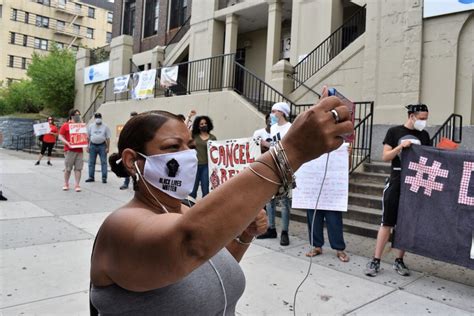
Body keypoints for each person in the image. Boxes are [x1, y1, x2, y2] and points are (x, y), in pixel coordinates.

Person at [89, 88, 353, 314]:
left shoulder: (185, 209)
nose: (187, 156)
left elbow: (206, 268)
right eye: (172, 147)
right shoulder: (120, 227)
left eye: (190, 147)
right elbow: (189, 245)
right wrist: (290, 152)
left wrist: (243, 236)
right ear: (132, 160)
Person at [365, 103, 431, 277]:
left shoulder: (425, 135)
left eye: (426, 118)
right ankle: (376, 260)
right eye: (422, 118)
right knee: (387, 222)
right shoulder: (394, 132)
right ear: (412, 116)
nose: (424, 122)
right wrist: (401, 147)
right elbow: (385, 156)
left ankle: (399, 261)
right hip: (396, 180)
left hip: (414, 183)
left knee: (405, 224)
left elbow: (429, 159)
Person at [257, 102, 293, 246]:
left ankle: (285, 231)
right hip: (273, 166)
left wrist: (268, 145)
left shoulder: (290, 128)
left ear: (282, 113)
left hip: (285, 167)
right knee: (269, 199)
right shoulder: (272, 128)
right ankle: (271, 228)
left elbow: (287, 146)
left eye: (274, 111)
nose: (271, 114)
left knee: (285, 202)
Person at [189, 115, 216, 199]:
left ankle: (205, 209)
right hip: (194, 166)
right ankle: (190, 209)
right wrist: (189, 116)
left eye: (205, 123)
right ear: (198, 126)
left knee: (206, 190)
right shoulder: (194, 136)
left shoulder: (213, 138)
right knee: (192, 190)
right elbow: (185, 132)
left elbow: (216, 152)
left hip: (206, 166)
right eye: (201, 124)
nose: (204, 125)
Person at [58, 109, 84, 192]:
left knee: (78, 168)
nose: (78, 116)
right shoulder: (66, 125)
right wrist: (67, 142)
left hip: (79, 150)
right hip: (69, 150)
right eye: (76, 114)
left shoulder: (80, 125)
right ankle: (66, 183)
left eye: (79, 114)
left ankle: (77, 185)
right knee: (68, 168)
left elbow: (85, 136)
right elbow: (60, 136)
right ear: (72, 115)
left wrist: (81, 123)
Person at [86, 113, 111, 184]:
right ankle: (91, 177)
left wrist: (107, 147)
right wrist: (87, 146)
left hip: (102, 146)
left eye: (99, 117)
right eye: (97, 117)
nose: (98, 118)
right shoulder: (91, 126)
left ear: (101, 118)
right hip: (93, 145)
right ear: (94, 118)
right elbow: (88, 137)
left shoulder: (105, 126)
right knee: (91, 162)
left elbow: (108, 138)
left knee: (104, 162)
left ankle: (104, 177)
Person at [120, 112, 138, 190]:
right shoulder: (127, 128)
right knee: (127, 166)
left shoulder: (141, 128)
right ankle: (126, 183)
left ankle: (136, 183)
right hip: (129, 150)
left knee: (137, 167)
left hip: (137, 150)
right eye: (131, 118)